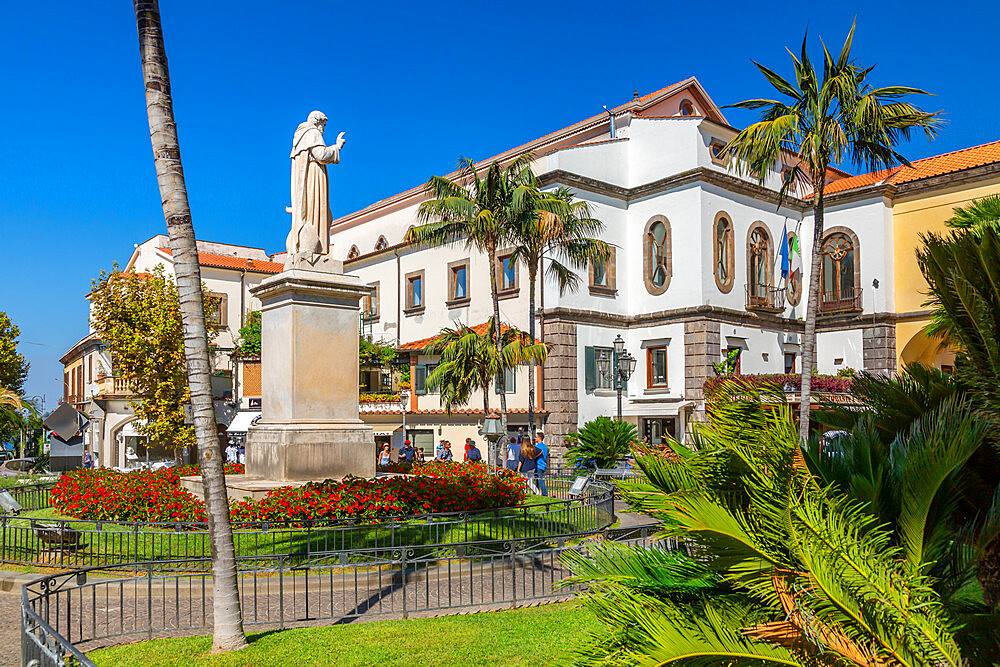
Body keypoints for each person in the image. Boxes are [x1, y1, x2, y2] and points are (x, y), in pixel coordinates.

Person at [534, 432, 548, 497]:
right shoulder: (545, 447)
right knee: (540, 479)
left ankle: (544, 494)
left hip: (538, 465)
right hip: (543, 465)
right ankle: (537, 492)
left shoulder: (537, 447)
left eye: (536, 437)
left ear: (539, 438)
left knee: (539, 480)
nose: (535, 438)